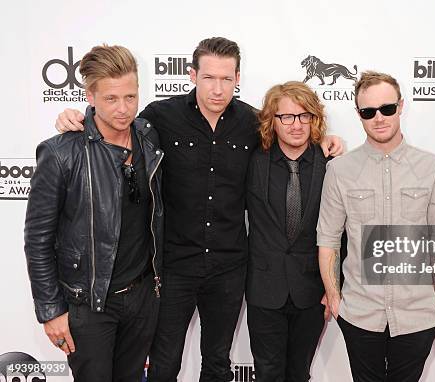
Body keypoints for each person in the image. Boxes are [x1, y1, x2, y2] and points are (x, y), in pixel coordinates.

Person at [54, 37, 343, 381]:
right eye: (209, 78)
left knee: (218, 361)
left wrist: (325, 142)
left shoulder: (252, 123)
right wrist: (78, 117)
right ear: (192, 75)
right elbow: (114, 127)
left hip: (229, 268)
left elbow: (292, 138)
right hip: (174, 266)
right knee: (164, 362)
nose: (217, 89)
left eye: (226, 78)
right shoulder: (160, 117)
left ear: (238, 78)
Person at [24, 44, 163, 382]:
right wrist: (50, 311)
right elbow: (38, 239)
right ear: (90, 95)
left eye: (130, 97)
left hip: (142, 297)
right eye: (111, 99)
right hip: (88, 305)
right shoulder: (61, 153)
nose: (123, 109)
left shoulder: (148, 138)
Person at [317, 71, 435, 382]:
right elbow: (328, 239)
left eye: (387, 109)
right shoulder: (339, 170)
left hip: (418, 314)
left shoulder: (432, 168)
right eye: (369, 112)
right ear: (358, 114)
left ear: (401, 106)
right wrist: (335, 298)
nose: (379, 118)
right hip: (360, 313)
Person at [245, 81, 335, 381]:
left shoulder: (331, 165)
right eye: (286, 117)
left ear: (314, 119)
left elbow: (343, 232)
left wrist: (332, 288)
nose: (296, 125)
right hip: (263, 288)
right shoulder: (253, 161)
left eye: (304, 115)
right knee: (267, 374)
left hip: (310, 292)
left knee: (299, 374)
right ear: (273, 120)